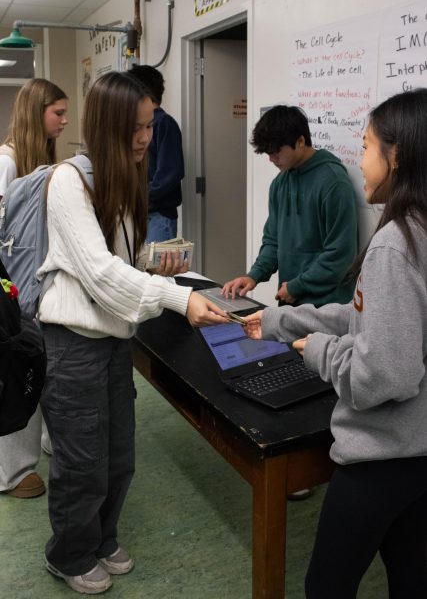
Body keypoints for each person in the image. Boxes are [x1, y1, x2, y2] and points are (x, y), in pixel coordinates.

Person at [38, 71, 228, 595]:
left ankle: (100, 538)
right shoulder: (67, 182)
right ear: (108, 125)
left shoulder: (124, 179)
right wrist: (176, 297)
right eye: (137, 128)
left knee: (118, 451)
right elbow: (100, 274)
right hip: (72, 343)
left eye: (150, 126)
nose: (146, 138)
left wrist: (165, 270)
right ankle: (68, 553)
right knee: (81, 460)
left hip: (113, 340)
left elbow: (124, 262)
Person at [243, 88, 427, 598]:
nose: (360, 160)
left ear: (399, 155)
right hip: (418, 448)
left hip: (381, 455)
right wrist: (282, 321)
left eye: (367, 146)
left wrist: (318, 352)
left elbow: (384, 372)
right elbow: (368, 317)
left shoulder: (396, 242)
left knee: (326, 585)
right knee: (412, 578)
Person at [0, 78, 68, 499]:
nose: (64, 120)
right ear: (34, 112)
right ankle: (11, 472)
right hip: (9, 290)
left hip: (34, 286)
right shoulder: (6, 163)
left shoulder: (40, 160)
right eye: (57, 113)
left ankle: (43, 443)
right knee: (14, 370)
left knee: (40, 365)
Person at [222, 105, 358, 307]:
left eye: (276, 152)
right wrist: (253, 276)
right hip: (290, 300)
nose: (271, 159)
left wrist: (298, 286)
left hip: (327, 306)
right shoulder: (280, 184)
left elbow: (341, 255)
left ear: (300, 141)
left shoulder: (334, 183)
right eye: (268, 154)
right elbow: (272, 241)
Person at [129, 64, 184, 242]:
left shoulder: (165, 123)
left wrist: (137, 196)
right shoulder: (135, 125)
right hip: (140, 213)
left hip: (158, 216)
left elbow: (170, 174)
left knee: (155, 270)